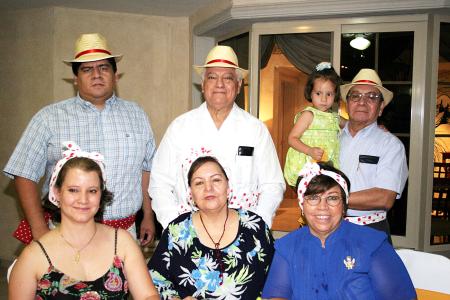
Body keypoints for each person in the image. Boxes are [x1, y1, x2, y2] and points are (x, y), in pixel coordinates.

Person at [4, 33, 156, 245]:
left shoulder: (137, 114)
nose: (96, 75)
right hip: (66, 234)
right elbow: (24, 173)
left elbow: (146, 168)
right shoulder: (48, 118)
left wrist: (147, 215)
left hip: (124, 233)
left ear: (115, 75)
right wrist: (38, 229)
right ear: (76, 78)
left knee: (127, 280)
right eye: (87, 69)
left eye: (104, 68)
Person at [150, 45, 285, 228]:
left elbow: (272, 185)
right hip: (189, 232)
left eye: (227, 78)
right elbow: (160, 183)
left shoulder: (255, 130)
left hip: (242, 232)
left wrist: (255, 227)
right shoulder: (180, 128)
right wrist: (176, 226)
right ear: (203, 85)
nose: (219, 84)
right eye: (212, 77)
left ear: (238, 87)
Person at [8, 142, 160, 299]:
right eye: (73, 190)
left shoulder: (122, 242)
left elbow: (148, 296)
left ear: (101, 194)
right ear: (57, 192)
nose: (83, 199)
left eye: (92, 191)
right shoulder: (34, 256)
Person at [262, 162, 416, 300]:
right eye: (313, 198)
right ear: (303, 205)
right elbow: (277, 296)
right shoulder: (287, 247)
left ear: (344, 205)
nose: (323, 206)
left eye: (333, 198)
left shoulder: (373, 244)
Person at [148, 155, 274, 299]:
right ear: (191, 194)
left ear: (228, 187)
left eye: (216, 180)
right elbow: (154, 281)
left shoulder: (255, 227)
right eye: (199, 183)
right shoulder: (176, 232)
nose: (208, 188)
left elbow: (278, 281)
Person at [339, 68, 408, 241]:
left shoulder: (391, 145)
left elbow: (384, 198)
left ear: (381, 107)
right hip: (327, 228)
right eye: (355, 96)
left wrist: (331, 198)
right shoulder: (330, 138)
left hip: (370, 231)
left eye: (372, 97)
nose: (362, 102)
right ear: (347, 103)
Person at [284, 62, 344, 187]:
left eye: (329, 94)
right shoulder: (308, 115)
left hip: (327, 166)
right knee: (310, 198)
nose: (324, 99)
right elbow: (291, 139)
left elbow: (352, 125)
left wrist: (377, 126)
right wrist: (309, 150)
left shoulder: (334, 117)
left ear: (335, 94)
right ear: (310, 93)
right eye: (318, 93)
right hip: (307, 164)